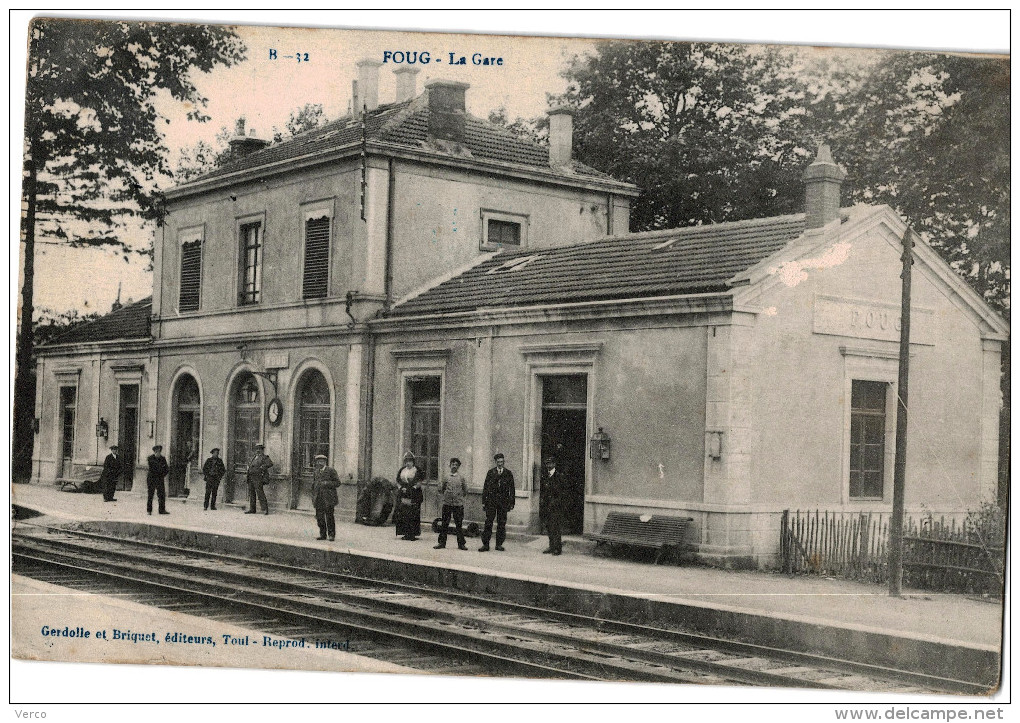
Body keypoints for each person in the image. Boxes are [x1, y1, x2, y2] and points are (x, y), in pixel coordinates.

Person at [479, 453, 514, 552]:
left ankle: (499, 544)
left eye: (502, 462)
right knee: (488, 523)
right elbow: (485, 488)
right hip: (491, 502)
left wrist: (511, 503)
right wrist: (484, 502)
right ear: (496, 462)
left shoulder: (508, 473)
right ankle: (485, 545)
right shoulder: (491, 473)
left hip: (503, 503)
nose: (500, 464)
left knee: (501, 524)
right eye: (498, 462)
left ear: (504, 462)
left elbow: (512, 489)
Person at [434, 458, 468, 550]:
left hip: (458, 505)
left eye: (456, 465)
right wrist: (446, 497)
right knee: (444, 524)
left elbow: (465, 490)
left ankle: (461, 544)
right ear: (450, 465)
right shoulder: (446, 477)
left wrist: (459, 498)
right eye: (453, 464)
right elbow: (442, 488)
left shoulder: (461, 478)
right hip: (447, 504)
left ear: (458, 466)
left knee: (459, 525)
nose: (454, 466)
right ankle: (442, 543)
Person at [539, 455, 568, 555]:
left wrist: (556, 502)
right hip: (547, 506)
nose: (548, 465)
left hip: (556, 506)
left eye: (550, 463)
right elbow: (543, 490)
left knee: (555, 527)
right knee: (548, 527)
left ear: (554, 464)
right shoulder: (545, 476)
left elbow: (563, 492)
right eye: (547, 463)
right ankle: (551, 546)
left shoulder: (559, 476)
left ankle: (557, 548)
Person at [393, 451, 424, 541]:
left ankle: (412, 534)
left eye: (410, 461)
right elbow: (398, 480)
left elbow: (419, 483)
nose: (408, 463)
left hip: (414, 495)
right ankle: (405, 533)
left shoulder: (417, 470)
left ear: (413, 461)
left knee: (413, 514)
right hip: (403, 494)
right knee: (403, 514)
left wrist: (410, 489)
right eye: (406, 461)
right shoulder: (402, 470)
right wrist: (401, 488)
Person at [310, 454, 342, 541]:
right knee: (319, 517)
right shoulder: (316, 471)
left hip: (329, 498)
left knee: (329, 517)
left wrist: (326, 483)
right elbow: (314, 484)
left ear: (325, 462)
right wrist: (313, 495)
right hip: (318, 498)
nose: (320, 463)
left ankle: (331, 535)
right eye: (318, 462)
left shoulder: (331, 471)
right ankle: (322, 534)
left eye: (321, 461)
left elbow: (338, 483)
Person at [245, 444, 274, 515]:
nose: (258, 450)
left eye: (259, 449)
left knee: (260, 493)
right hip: (251, 477)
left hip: (258, 478)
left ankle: (265, 510)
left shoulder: (264, 457)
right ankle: (252, 509)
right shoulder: (254, 457)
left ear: (262, 450)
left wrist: (262, 467)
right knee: (252, 493)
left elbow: (270, 463)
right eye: (257, 449)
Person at [146, 445, 170, 515]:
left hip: (160, 479)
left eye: (159, 451)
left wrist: (162, 474)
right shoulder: (150, 458)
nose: (158, 453)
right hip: (152, 479)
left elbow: (166, 469)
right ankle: (149, 510)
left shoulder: (163, 458)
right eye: (157, 452)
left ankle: (162, 510)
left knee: (162, 495)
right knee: (150, 495)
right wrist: (161, 468)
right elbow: (154, 468)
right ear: (154, 452)